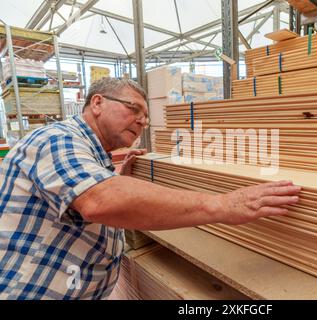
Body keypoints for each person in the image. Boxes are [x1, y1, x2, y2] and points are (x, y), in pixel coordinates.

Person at [0, 78, 301, 300]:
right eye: (134, 109)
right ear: (97, 103)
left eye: (146, 116)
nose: (143, 120)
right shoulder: (56, 138)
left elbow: (88, 193)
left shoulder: (92, 155)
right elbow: (99, 200)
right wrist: (223, 205)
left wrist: (116, 174)